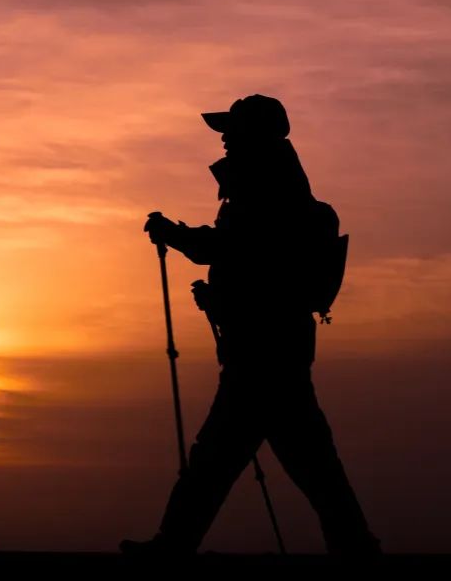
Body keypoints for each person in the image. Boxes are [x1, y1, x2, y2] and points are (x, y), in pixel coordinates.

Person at [122, 94, 380, 556]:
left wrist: (175, 235)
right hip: (274, 346)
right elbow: (254, 264)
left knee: (220, 458)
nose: (223, 138)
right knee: (308, 462)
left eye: (231, 130)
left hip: (265, 352)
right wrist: (219, 297)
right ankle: (356, 548)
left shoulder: (266, 186)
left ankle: (172, 546)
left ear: (253, 134)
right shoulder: (272, 182)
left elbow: (234, 247)